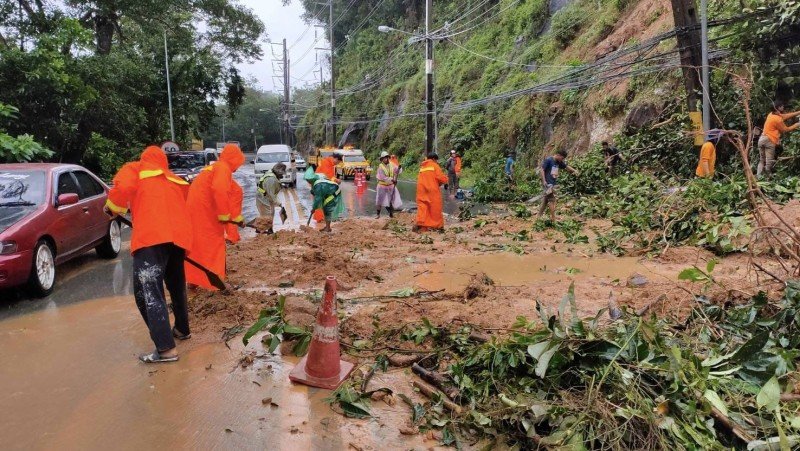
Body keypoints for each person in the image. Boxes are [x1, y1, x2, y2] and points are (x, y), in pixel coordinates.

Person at [104, 145, 193, 363]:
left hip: (152, 238)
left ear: (144, 159)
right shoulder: (174, 179)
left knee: (148, 292)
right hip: (179, 239)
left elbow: (121, 188)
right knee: (176, 285)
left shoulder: (135, 169)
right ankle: (182, 329)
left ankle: (165, 349)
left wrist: (112, 208)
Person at [184, 143, 245, 290]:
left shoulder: (215, 168)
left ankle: (193, 281)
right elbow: (219, 190)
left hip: (196, 211)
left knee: (197, 247)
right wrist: (224, 216)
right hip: (204, 212)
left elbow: (229, 192)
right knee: (214, 245)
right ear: (234, 159)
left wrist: (234, 220)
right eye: (238, 162)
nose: (238, 167)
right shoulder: (223, 168)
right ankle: (218, 283)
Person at [757, 101, 800, 178]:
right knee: (769, 160)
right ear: (778, 108)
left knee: (761, 160)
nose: (783, 107)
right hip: (769, 140)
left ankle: (758, 176)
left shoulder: (771, 114)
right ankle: (767, 177)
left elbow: (784, 116)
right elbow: (785, 130)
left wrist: (798, 112)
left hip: (762, 139)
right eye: (781, 106)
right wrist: (796, 125)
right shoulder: (777, 120)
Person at [538, 149, 580, 222]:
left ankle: (538, 215)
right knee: (552, 200)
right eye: (562, 158)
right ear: (558, 155)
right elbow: (542, 170)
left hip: (552, 184)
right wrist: (544, 181)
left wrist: (575, 171)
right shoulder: (549, 160)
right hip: (547, 183)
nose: (562, 160)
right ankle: (553, 218)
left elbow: (566, 166)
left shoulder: (558, 162)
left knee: (545, 200)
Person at [415, 153, 449, 232]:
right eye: (436, 160)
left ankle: (421, 225)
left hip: (421, 191)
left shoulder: (422, 166)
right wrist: (447, 179)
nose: (437, 162)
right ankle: (437, 226)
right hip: (431, 190)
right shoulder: (434, 166)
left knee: (423, 208)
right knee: (435, 208)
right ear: (434, 159)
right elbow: (441, 178)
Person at [256, 163, 286, 234]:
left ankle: (264, 229)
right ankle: (265, 230)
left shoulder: (272, 174)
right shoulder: (271, 179)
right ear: (279, 171)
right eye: (282, 173)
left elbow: (272, 193)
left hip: (265, 196)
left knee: (269, 213)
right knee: (268, 214)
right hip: (263, 197)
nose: (283, 175)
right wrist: (279, 204)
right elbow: (271, 195)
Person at [312, 153, 342, 223]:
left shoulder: (330, 164)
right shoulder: (326, 162)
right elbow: (328, 175)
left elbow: (330, 176)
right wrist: (336, 180)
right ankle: (319, 219)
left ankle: (322, 217)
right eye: (338, 162)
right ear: (336, 159)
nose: (337, 164)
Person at [376, 151, 402, 218]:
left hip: (390, 186)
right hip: (382, 186)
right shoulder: (380, 167)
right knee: (380, 201)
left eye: (387, 158)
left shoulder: (392, 165)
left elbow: (397, 171)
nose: (386, 159)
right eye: (385, 158)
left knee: (391, 200)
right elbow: (383, 177)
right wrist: (392, 180)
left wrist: (399, 168)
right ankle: (378, 214)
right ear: (382, 159)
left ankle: (391, 213)